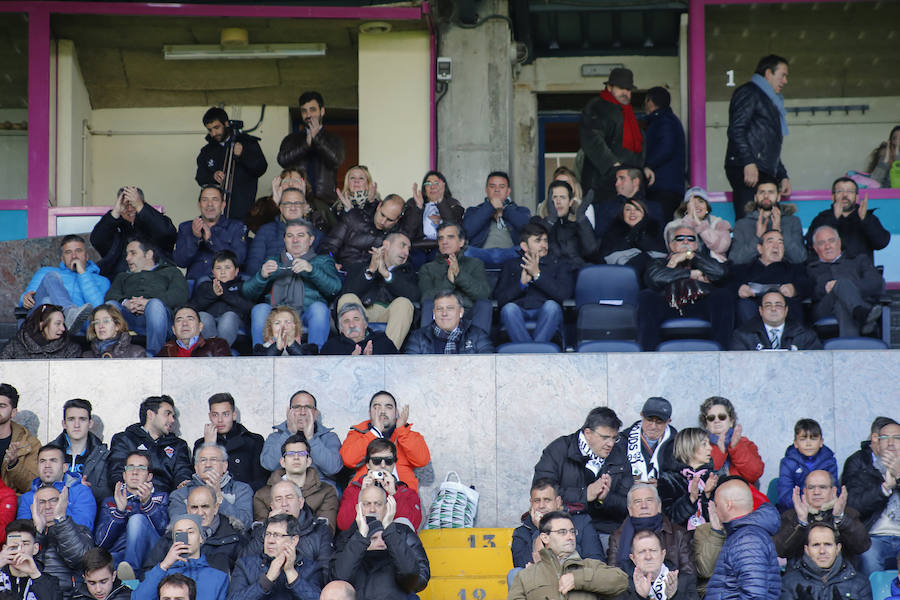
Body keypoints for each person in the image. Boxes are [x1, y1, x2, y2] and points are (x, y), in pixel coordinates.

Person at [532, 407, 632, 539]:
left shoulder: (619, 455)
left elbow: (629, 504)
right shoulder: (558, 450)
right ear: (588, 433)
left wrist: (605, 499)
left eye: (614, 438)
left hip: (607, 531)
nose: (611, 444)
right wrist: (585, 494)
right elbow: (541, 494)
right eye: (605, 437)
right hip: (565, 527)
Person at [243, 218, 341, 350]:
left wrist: (312, 271)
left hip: (306, 314)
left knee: (319, 308)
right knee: (260, 309)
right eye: (290, 236)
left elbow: (335, 288)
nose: (295, 240)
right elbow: (247, 292)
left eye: (300, 235)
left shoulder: (322, 261)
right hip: (277, 314)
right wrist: (261, 276)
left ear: (311, 240)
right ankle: (261, 356)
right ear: (284, 240)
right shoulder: (274, 261)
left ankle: (316, 355)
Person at [640, 225, 731, 350]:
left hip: (700, 303)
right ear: (671, 246)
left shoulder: (704, 261)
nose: (685, 241)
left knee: (723, 295)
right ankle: (649, 355)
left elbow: (720, 273)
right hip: (668, 304)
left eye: (690, 239)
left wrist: (692, 256)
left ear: (696, 246)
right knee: (646, 296)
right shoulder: (658, 262)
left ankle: (722, 353)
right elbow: (654, 279)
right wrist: (687, 272)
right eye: (680, 238)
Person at [725, 54, 792, 220]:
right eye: (782, 75)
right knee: (749, 221)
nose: (785, 81)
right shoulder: (749, 92)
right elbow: (736, 129)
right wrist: (748, 162)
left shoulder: (770, 100)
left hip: (762, 168)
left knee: (768, 223)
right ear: (768, 74)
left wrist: (782, 175)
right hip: (748, 168)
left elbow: (768, 145)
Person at [332, 486, 430, 599]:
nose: (372, 509)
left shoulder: (403, 533)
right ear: (357, 508)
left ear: (387, 507)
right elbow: (338, 579)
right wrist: (361, 538)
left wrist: (390, 534)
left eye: (378, 504)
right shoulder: (347, 537)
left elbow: (419, 581)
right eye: (367, 504)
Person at [508, 510, 628, 600]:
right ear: (545, 537)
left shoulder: (590, 565)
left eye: (572, 531)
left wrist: (578, 579)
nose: (570, 537)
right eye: (562, 532)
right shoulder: (526, 576)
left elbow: (621, 581)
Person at [104, 239, 190, 356]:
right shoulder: (122, 276)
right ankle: (109, 352)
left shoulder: (171, 271)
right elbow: (110, 296)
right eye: (127, 254)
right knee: (111, 306)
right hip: (130, 319)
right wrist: (125, 303)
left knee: (155, 305)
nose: (127, 258)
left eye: (133, 253)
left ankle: (153, 356)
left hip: (161, 320)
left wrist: (149, 303)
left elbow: (180, 295)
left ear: (149, 254)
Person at [494, 220, 575, 344]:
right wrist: (521, 284)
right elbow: (500, 299)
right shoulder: (511, 265)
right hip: (519, 311)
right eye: (538, 241)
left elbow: (563, 295)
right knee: (509, 309)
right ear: (524, 246)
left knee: (552, 307)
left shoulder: (560, 264)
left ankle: (531, 353)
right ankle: (534, 352)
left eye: (545, 241)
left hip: (545, 311)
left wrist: (537, 275)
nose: (544, 245)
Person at [580, 67, 653, 203]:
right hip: (601, 185)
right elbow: (592, 138)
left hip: (627, 186)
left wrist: (643, 168)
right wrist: (614, 164)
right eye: (621, 88)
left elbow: (637, 146)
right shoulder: (597, 107)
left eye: (629, 89)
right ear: (609, 87)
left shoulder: (629, 113)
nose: (625, 93)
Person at [337, 231, 419, 350]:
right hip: (362, 313)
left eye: (408, 249)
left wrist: (387, 275)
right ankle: (353, 351)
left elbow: (414, 296)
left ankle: (386, 353)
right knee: (347, 299)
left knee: (404, 303)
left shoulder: (409, 272)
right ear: (386, 245)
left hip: (389, 314)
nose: (406, 252)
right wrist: (371, 270)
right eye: (402, 245)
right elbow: (347, 293)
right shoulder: (360, 266)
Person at [95, 450, 169, 580]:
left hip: (151, 555)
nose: (135, 472)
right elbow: (101, 543)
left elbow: (164, 533)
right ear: (124, 475)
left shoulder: (160, 497)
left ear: (149, 476)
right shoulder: (111, 501)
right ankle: (128, 575)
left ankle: (131, 574)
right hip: (120, 559)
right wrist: (119, 511)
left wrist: (147, 504)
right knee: (100, 563)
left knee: (137, 520)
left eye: (141, 468)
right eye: (130, 468)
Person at [704, 478, 781, 600]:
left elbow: (754, 595)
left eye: (717, 505)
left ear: (728, 505)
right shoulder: (743, 534)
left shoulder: (747, 540)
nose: (715, 510)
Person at [340, 391, 430, 494]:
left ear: (396, 413)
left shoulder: (408, 435)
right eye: (377, 407)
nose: (382, 411)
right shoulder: (357, 434)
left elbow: (422, 460)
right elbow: (348, 460)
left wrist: (401, 431)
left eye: (388, 407)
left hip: (402, 498)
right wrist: (375, 432)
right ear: (369, 413)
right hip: (365, 498)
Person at [142, 486, 246, 575]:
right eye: (194, 507)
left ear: (215, 508)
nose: (200, 512)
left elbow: (242, 580)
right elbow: (148, 574)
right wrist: (165, 566)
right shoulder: (171, 538)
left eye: (205, 506)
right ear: (187, 509)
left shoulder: (235, 539)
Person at [842, 418, 900, 576]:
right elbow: (852, 505)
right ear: (877, 443)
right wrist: (884, 489)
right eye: (885, 438)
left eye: (896, 438)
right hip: (875, 536)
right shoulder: (863, 465)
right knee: (869, 555)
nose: (890, 443)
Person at [773, 469, 869, 564]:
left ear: (833, 491)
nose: (816, 492)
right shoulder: (791, 516)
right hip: (800, 575)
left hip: (841, 575)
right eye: (811, 487)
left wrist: (840, 519)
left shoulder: (848, 513)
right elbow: (780, 550)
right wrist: (801, 522)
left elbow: (862, 546)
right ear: (805, 491)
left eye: (822, 487)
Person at [18, 234, 109, 332]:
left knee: (49, 300)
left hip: (79, 328)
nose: (74, 256)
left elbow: (98, 308)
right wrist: (25, 298)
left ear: (86, 256)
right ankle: (69, 312)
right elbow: (28, 297)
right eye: (68, 252)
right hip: (42, 322)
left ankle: (69, 318)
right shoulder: (45, 272)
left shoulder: (102, 281)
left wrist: (83, 274)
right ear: (62, 259)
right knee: (49, 287)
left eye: (78, 251)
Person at [511, 479, 604, 572]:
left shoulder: (582, 522)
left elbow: (596, 561)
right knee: (514, 573)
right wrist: (540, 530)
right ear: (531, 503)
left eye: (547, 500)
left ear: (558, 502)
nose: (541, 505)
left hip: (577, 579)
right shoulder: (522, 532)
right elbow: (522, 566)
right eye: (537, 501)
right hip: (539, 582)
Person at [807, 225, 885, 337]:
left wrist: (842, 287)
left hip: (860, 302)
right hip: (825, 308)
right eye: (821, 243)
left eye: (831, 240)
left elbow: (876, 283)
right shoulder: (810, 268)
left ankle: (857, 313)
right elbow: (806, 290)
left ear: (839, 242)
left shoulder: (859, 260)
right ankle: (861, 315)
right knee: (841, 285)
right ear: (815, 247)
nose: (827, 246)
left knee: (841, 303)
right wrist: (824, 288)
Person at [107, 396, 192, 495]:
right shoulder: (124, 439)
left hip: (166, 502)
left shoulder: (178, 445)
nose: (172, 420)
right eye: (167, 414)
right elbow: (116, 474)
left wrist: (183, 484)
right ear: (150, 414)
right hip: (131, 499)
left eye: (173, 416)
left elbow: (183, 472)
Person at [416, 222, 492, 333]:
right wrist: (449, 281)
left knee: (484, 304)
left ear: (461, 242)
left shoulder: (475, 264)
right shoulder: (428, 268)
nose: (444, 242)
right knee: (428, 304)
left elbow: (484, 294)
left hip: (468, 314)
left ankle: (479, 347)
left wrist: (459, 275)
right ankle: (428, 348)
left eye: (450, 237)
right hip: (441, 315)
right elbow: (426, 298)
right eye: (441, 238)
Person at [195, 107, 268, 222]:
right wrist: (212, 176)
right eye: (210, 130)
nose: (213, 133)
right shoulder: (207, 151)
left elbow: (261, 168)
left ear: (226, 123)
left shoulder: (247, 142)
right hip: (215, 213)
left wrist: (242, 155)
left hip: (243, 209)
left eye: (216, 127)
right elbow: (200, 177)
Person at [607, 483, 694, 577]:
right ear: (630, 510)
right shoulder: (617, 537)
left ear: (659, 506)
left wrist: (669, 587)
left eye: (649, 500)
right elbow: (613, 576)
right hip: (630, 589)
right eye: (637, 501)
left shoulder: (679, 534)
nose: (644, 506)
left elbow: (689, 574)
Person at [336, 439, 423, 532]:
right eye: (376, 461)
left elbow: (409, 526)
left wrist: (394, 494)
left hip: (393, 542)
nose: (383, 465)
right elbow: (344, 525)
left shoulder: (406, 493)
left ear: (394, 464)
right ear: (368, 464)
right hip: (362, 542)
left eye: (388, 461)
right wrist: (362, 494)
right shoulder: (353, 490)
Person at [133, 515, 228, 600]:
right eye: (180, 534)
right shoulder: (161, 573)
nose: (186, 538)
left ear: (201, 538)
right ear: (174, 540)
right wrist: (164, 565)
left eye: (190, 532)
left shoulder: (219, 577)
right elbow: (139, 598)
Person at [90, 186, 177, 279]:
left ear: (143, 204)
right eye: (126, 205)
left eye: (134, 204)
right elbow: (97, 240)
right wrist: (115, 212)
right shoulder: (115, 231)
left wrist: (140, 206)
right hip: (121, 286)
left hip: (157, 283)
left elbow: (167, 233)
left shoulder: (155, 226)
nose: (130, 209)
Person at [728, 229, 812, 325]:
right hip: (753, 317)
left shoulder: (794, 269)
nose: (776, 246)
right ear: (760, 248)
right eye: (770, 242)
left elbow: (809, 285)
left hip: (786, 321)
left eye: (780, 243)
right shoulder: (742, 270)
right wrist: (738, 289)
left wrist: (795, 289)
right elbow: (725, 286)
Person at [229, 514, 321, 600]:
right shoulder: (244, 565)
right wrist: (267, 580)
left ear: (294, 540)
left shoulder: (311, 568)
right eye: (268, 534)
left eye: (277, 535)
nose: (270, 541)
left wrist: (291, 572)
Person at [260, 391, 342, 487]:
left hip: (319, 493)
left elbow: (333, 468)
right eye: (297, 407)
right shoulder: (276, 437)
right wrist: (289, 433)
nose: (302, 412)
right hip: (285, 492)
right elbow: (269, 464)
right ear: (289, 412)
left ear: (315, 413)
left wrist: (311, 439)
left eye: (308, 407)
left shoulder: (329, 437)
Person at [253, 441, 339, 533]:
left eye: (302, 454)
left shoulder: (326, 491)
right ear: (282, 462)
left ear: (309, 461)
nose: (296, 458)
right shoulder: (262, 495)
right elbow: (260, 535)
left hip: (311, 546)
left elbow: (326, 532)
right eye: (290, 454)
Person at [276, 91, 345, 203]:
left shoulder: (334, 138)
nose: (308, 115)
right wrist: (306, 145)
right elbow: (282, 160)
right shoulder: (291, 138)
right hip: (297, 200)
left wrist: (317, 138)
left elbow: (336, 160)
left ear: (322, 111)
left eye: (312, 110)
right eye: (304, 111)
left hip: (326, 202)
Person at [168, 443, 254, 532]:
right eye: (203, 460)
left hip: (229, 543)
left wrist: (218, 496)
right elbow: (178, 529)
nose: (208, 465)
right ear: (196, 468)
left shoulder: (241, 489)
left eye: (214, 460)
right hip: (196, 543)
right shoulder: (180, 494)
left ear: (225, 466)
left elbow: (245, 525)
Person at [192, 393, 267, 492]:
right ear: (210, 416)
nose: (220, 420)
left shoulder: (253, 441)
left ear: (234, 415)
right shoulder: (201, 444)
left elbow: (260, 481)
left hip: (243, 498)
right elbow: (197, 481)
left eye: (225, 414)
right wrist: (209, 446)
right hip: (210, 499)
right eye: (215, 415)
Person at [30, 485, 95, 598]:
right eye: (42, 502)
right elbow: (24, 567)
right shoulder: (25, 532)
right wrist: (38, 531)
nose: (48, 506)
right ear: (33, 507)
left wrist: (60, 520)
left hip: (69, 596)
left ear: (64, 503)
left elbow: (80, 560)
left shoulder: (80, 530)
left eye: (53, 500)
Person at [805, 177, 889, 262]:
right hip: (829, 272)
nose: (845, 195)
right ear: (833, 197)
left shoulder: (867, 217)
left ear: (856, 197)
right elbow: (810, 244)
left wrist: (865, 219)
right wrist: (834, 218)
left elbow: (881, 243)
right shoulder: (823, 217)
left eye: (850, 191)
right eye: (839, 191)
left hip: (861, 272)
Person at [174, 185, 248, 282]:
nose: (210, 204)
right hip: (195, 284)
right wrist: (195, 238)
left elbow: (239, 259)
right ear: (199, 204)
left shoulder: (236, 227)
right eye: (205, 200)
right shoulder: (186, 227)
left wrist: (210, 240)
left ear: (223, 205)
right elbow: (180, 261)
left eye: (215, 199)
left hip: (226, 284)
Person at [779, 523, 872, 600]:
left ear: (838, 548)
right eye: (816, 545)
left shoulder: (860, 583)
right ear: (807, 550)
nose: (822, 551)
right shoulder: (789, 582)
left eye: (828, 544)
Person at [246, 185, 320, 277]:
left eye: (297, 203)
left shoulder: (316, 234)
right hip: (270, 283)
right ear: (281, 208)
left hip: (305, 285)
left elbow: (322, 268)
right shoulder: (265, 230)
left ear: (304, 207)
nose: (293, 208)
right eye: (288, 203)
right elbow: (253, 266)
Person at [729, 176, 806, 265]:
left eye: (771, 192)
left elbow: (800, 258)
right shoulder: (742, 224)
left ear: (778, 197)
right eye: (762, 192)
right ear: (755, 197)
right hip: (752, 276)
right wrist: (757, 237)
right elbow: (735, 260)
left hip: (785, 275)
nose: (766, 196)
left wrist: (779, 232)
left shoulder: (793, 221)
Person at [17, 444, 97, 529]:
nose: (47, 465)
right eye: (43, 461)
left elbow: (85, 527)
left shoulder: (81, 492)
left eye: (53, 460)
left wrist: (60, 513)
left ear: (64, 467)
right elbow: (22, 531)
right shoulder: (28, 497)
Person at [462, 171, 532, 268]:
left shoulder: (521, 210)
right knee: (465, 251)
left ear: (508, 191)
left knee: (526, 250)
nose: (497, 190)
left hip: (511, 252)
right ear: (486, 190)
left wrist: (504, 209)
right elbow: (467, 232)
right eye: (492, 186)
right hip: (481, 253)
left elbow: (528, 229)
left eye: (502, 187)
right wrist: (489, 208)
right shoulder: (474, 210)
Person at [320, 195, 405, 269]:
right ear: (379, 206)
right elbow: (330, 244)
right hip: (340, 269)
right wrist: (330, 263)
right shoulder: (355, 216)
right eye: (382, 215)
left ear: (398, 219)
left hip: (369, 278)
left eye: (389, 220)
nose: (383, 222)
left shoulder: (397, 236)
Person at [50, 398, 110, 503]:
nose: (77, 425)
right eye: (71, 419)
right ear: (64, 424)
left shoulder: (103, 455)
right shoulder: (49, 452)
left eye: (82, 419)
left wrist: (86, 490)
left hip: (88, 511)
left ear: (90, 423)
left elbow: (107, 493)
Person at [191, 250, 254, 349]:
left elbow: (250, 308)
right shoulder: (206, 285)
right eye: (218, 268)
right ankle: (217, 351)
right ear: (212, 272)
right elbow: (193, 307)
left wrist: (223, 293)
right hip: (210, 323)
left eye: (227, 267)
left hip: (234, 323)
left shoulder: (243, 285)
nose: (223, 272)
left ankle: (218, 351)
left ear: (236, 271)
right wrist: (213, 293)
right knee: (202, 316)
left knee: (228, 317)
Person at [657, 428, 717, 530]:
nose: (710, 448)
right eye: (704, 444)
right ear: (690, 447)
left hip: (710, 540)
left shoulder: (715, 477)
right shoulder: (668, 480)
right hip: (679, 542)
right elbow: (668, 519)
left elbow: (721, 520)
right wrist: (691, 499)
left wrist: (707, 496)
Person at [698, 398, 764, 486]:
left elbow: (755, 474)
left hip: (743, 496)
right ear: (706, 424)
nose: (717, 421)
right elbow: (702, 478)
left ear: (731, 422)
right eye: (711, 418)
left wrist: (735, 447)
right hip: (714, 497)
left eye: (722, 417)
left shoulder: (745, 443)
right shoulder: (698, 446)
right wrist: (720, 451)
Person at [643, 86, 686, 221]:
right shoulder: (669, 120)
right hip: (669, 186)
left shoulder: (663, 121)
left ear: (650, 102)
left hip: (663, 187)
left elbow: (666, 147)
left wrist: (648, 165)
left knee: (659, 226)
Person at [776, 420, 839, 513]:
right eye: (803, 439)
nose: (808, 444)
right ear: (795, 443)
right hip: (795, 510)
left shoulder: (829, 462)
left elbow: (834, 491)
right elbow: (785, 496)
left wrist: (819, 507)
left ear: (821, 442)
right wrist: (806, 507)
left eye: (813, 439)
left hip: (825, 509)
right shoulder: (787, 463)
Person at [616, 529, 698, 600]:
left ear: (663, 554)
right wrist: (640, 597)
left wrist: (674, 596)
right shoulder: (622, 585)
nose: (648, 557)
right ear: (633, 558)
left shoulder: (686, 580)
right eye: (641, 552)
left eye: (653, 550)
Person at [404, 291, 494, 355]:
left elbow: (488, 366)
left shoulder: (478, 335)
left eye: (450, 308)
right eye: (439, 309)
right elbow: (411, 369)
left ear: (461, 312)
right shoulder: (418, 337)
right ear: (434, 313)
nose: (444, 313)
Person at [729, 290, 822, 351]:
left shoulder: (805, 335)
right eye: (768, 305)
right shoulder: (743, 335)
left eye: (778, 305)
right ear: (761, 310)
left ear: (786, 310)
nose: (773, 309)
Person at [597, 196, 665, 277]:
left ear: (644, 213)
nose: (632, 212)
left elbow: (660, 253)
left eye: (637, 209)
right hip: (619, 272)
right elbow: (605, 257)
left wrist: (638, 230)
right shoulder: (612, 231)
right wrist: (630, 237)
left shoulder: (655, 229)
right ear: (623, 214)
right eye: (628, 209)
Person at [592, 166, 663, 242]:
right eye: (617, 180)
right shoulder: (605, 207)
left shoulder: (654, 208)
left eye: (622, 178)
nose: (617, 183)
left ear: (635, 182)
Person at [616, 397, 676, 485]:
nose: (653, 426)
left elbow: (681, 476)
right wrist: (631, 483)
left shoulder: (678, 444)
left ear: (668, 421)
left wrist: (662, 485)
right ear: (641, 415)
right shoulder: (622, 440)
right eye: (649, 420)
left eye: (659, 422)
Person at [663, 187, 731, 261]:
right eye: (692, 202)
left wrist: (699, 223)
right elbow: (675, 248)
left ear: (707, 206)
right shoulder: (673, 225)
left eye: (701, 201)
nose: (696, 205)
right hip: (684, 265)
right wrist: (690, 218)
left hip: (714, 268)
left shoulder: (719, 224)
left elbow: (720, 248)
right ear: (685, 206)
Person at [542, 180, 598, 268]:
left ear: (570, 202)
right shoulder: (538, 223)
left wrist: (581, 217)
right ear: (548, 201)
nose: (558, 202)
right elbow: (534, 246)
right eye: (554, 197)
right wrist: (551, 219)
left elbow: (591, 251)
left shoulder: (577, 227)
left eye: (563, 197)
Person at [0, 520, 61, 600]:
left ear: (35, 548)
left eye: (25, 544)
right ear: (4, 549)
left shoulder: (50, 581)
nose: (20, 550)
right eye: (14, 544)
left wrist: (35, 574)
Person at [400, 170, 464, 246]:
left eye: (436, 183)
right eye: (428, 183)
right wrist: (418, 207)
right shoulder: (413, 203)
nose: (432, 187)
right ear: (424, 188)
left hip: (443, 247)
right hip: (418, 247)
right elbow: (408, 233)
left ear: (443, 186)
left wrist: (441, 201)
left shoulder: (453, 203)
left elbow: (452, 227)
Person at [0, 304, 82, 360]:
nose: (63, 328)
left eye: (63, 324)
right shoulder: (14, 346)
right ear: (41, 325)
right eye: (58, 324)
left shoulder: (71, 349)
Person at [0, 384, 40, 494]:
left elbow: (33, 485)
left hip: (13, 506)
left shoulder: (29, 443)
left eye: (2, 406)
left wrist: (14, 464)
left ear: (13, 412)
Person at [320, 304, 397, 356]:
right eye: (346, 321)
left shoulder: (383, 342)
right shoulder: (331, 347)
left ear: (365, 324)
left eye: (356, 319)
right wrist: (350, 362)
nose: (352, 325)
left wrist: (374, 360)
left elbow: (398, 373)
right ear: (341, 329)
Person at [156, 306, 231, 358]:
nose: (184, 323)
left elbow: (224, 376)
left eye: (190, 319)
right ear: (174, 330)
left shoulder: (216, 345)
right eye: (179, 320)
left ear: (200, 326)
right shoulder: (166, 350)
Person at [252, 306, 317, 357]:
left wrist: (291, 344)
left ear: (295, 326)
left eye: (287, 322)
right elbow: (262, 366)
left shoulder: (309, 348)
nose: (282, 327)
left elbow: (307, 363)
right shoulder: (260, 349)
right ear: (270, 328)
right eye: (277, 323)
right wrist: (277, 348)